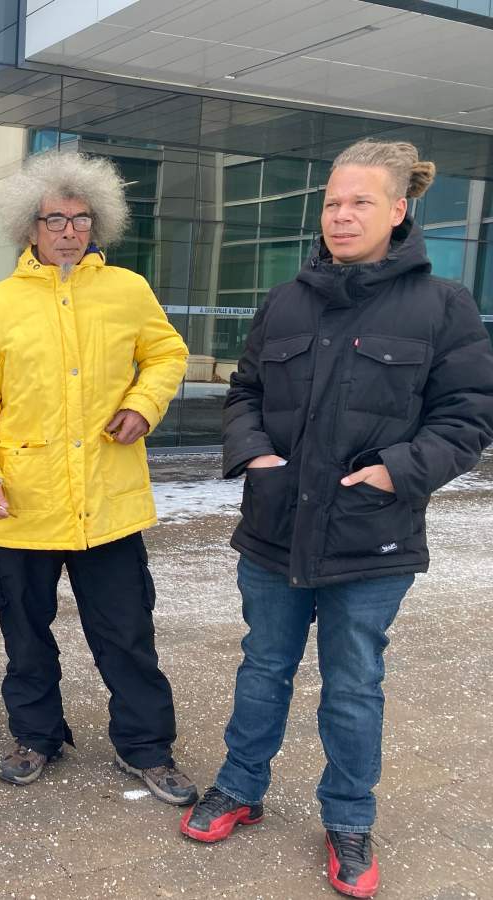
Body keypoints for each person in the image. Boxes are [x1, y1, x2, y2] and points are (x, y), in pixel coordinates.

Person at [180, 141, 493, 898]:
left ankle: (349, 819)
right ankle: (240, 786)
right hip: (274, 531)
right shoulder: (287, 300)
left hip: (372, 536)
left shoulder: (442, 305)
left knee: (354, 685)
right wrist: (254, 453)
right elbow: (245, 392)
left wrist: (396, 471)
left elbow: (468, 416)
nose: (342, 216)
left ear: (398, 210)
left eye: (360, 202)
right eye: (332, 203)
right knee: (263, 667)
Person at [0, 151, 196, 800]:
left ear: (98, 223)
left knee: (127, 635)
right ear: (29, 227)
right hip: (20, 506)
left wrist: (143, 405)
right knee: (26, 638)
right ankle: (36, 736)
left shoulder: (128, 290)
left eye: (80, 218)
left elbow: (168, 354)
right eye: (54, 219)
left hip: (106, 504)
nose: (68, 230)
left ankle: (146, 748)